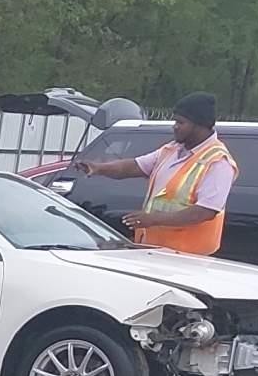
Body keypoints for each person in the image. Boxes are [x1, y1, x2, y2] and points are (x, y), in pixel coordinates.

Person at [73, 93, 236, 255]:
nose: (175, 126)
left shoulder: (218, 162)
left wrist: (153, 219)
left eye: (181, 122)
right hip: (155, 251)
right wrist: (99, 168)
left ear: (200, 125)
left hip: (188, 258)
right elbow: (133, 166)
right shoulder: (171, 150)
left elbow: (204, 212)